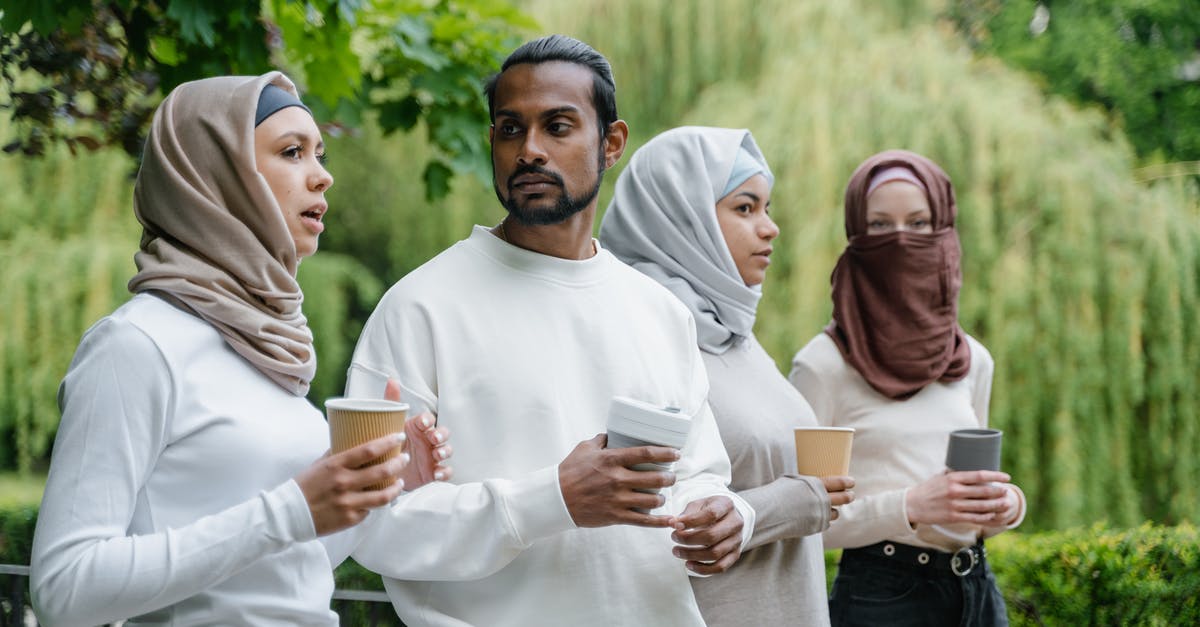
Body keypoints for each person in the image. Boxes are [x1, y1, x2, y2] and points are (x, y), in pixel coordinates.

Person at [344, 36, 754, 626]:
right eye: (510, 129)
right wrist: (551, 500)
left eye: (558, 127)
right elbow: (372, 525)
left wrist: (721, 515)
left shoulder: (660, 312)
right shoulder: (419, 307)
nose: (530, 150)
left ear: (611, 143)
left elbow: (695, 474)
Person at [30, 72, 449, 626]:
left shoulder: (269, 346)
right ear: (216, 175)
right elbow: (65, 589)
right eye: (292, 152)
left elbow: (281, 568)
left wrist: (378, 495)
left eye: (319, 154)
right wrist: (291, 509)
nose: (322, 176)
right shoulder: (136, 345)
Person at [599, 125, 856, 626]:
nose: (770, 227)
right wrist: (797, 500)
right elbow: (637, 520)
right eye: (744, 208)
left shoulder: (735, 333)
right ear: (680, 219)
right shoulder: (642, 339)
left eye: (767, 207)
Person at [788, 149, 1027, 627]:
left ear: (944, 236)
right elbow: (800, 522)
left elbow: (972, 503)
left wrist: (1007, 507)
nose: (901, 240)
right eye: (880, 226)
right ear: (856, 236)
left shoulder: (973, 359)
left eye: (919, 224)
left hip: (977, 592)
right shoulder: (823, 365)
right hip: (882, 597)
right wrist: (909, 507)